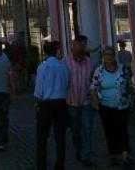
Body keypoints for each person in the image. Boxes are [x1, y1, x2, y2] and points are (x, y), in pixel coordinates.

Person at [91, 47, 135, 166]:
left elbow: (129, 84)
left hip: (122, 105)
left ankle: (125, 154)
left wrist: (132, 97)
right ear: (103, 57)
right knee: (110, 131)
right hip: (105, 106)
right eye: (106, 55)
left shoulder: (122, 69)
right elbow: (93, 88)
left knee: (123, 130)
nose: (108, 57)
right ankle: (114, 155)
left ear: (114, 56)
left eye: (110, 54)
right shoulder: (99, 71)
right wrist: (95, 102)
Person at [34, 40, 70, 170]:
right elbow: (67, 84)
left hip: (46, 104)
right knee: (60, 136)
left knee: (42, 136)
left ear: (44, 52)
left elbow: (39, 89)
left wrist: (37, 102)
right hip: (61, 103)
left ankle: (41, 165)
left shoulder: (43, 67)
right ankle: (60, 164)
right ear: (56, 51)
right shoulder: (64, 66)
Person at [65, 35, 96, 167]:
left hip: (86, 102)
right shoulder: (65, 62)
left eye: (84, 44)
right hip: (71, 102)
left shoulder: (90, 63)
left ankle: (86, 155)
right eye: (80, 44)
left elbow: (94, 82)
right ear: (73, 45)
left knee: (87, 129)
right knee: (76, 131)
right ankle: (79, 150)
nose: (82, 47)